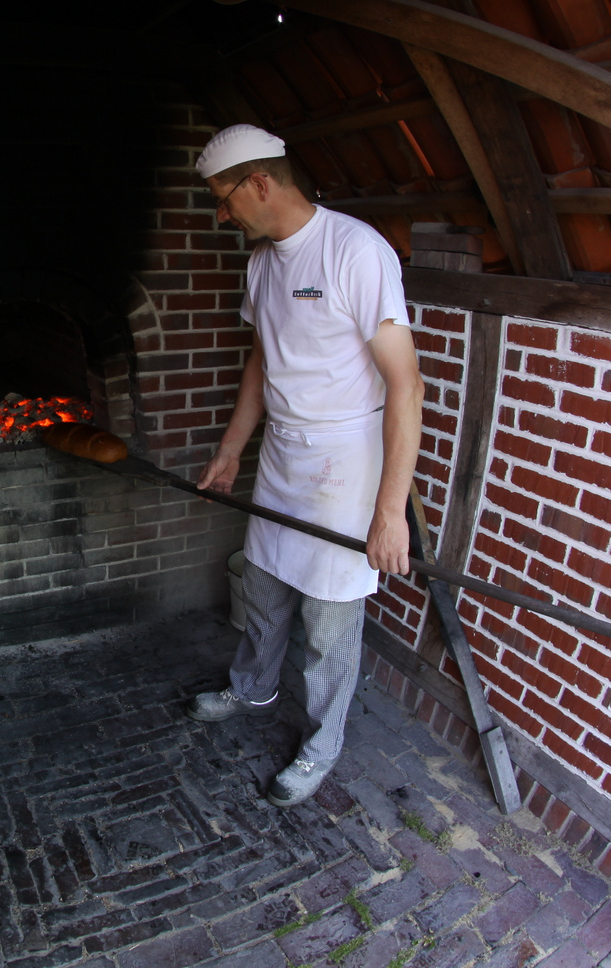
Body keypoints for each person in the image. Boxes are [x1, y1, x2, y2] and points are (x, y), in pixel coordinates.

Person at [184, 124, 423, 807]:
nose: (222, 215)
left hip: (347, 464)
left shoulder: (356, 251)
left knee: (328, 621)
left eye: (224, 200)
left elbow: (406, 385)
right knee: (262, 585)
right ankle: (253, 686)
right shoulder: (261, 264)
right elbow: (263, 360)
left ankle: (322, 746)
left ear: (260, 182)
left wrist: (389, 514)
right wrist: (232, 450)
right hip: (286, 454)